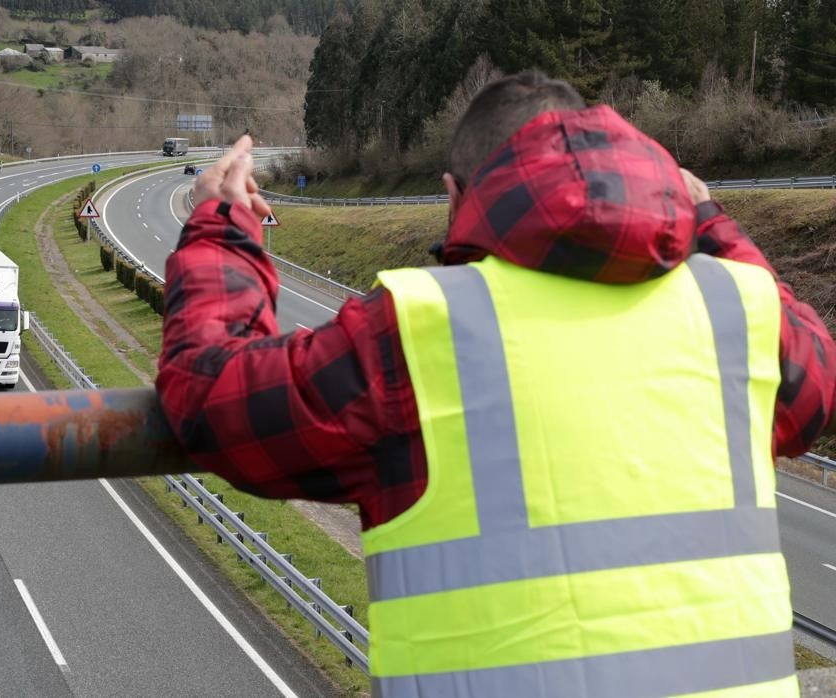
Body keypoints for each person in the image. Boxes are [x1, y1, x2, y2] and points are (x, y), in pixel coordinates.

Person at [156, 71, 836, 697]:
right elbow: (817, 386)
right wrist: (711, 221)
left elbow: (210, 398)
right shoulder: (739, 310)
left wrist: (223, 226)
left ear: (454, 196)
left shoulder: (422, 332)